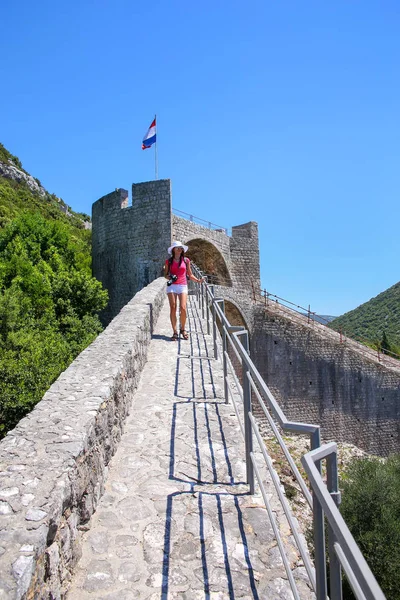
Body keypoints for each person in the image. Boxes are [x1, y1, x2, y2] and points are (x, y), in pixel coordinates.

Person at [164, 241, 205, 341]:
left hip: (182, 285)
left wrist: (198, 280)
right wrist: (170, 276)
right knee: (173, 307)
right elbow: (165, 275)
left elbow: (190, 274)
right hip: (172, 286)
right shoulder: (168, 261)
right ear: (173, 249)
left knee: (183, 308)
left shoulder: (186, 260)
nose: (179, 249)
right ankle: (174, 331)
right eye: (177, 247)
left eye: (181, 248)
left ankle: (183, 329)